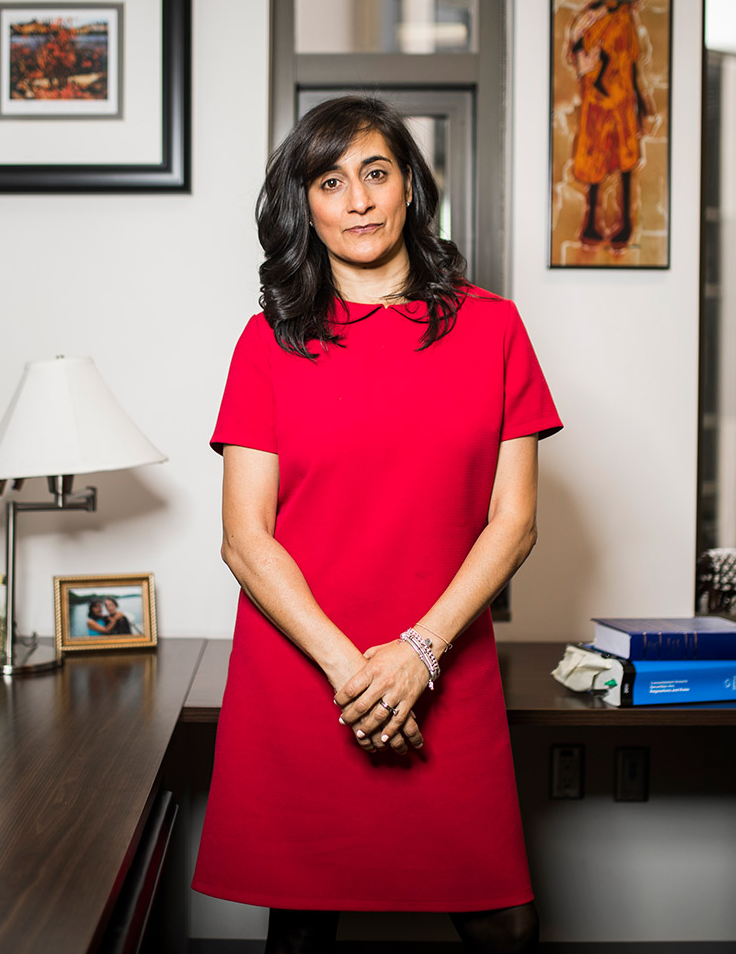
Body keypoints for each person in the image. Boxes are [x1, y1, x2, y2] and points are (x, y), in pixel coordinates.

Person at [193, 95, 562, 954]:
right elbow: (245, 537)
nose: (357, 200)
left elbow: (515, 522)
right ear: (305, 205)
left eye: (375, 173)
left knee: (505, 922)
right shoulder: (269, 342)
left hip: (445, 665)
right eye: (331, 181)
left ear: (408, 191)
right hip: (304, 671)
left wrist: (418, 652)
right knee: (302, 920)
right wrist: (353, 674)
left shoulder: (493, 328)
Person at [566, 0, 654, 247]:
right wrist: (598, 76)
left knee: (625, 163)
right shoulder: (602, 13)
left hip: (622, 102)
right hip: (601, 103)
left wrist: (641, 101)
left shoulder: (625, 16)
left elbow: (629, 62)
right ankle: (591, 224)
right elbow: (581, 47)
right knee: (595, 164)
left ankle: (624, 224)